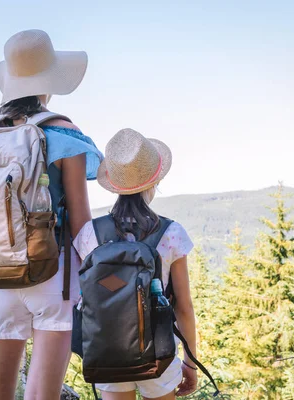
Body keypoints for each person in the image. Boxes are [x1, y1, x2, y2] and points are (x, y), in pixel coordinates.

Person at [0, 29, 102, 400]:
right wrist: (98, 276)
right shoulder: (64, 133)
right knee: (42, 395)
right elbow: (80, 218)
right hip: (53, 275)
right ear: (49, 82)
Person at [74, 129, 198, 400]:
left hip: (107, 353)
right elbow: (184, 306)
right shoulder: (172, 232)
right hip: (159, 353)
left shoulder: (89, 233)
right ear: (155, 180)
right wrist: (190, 362)